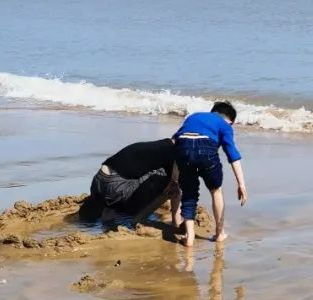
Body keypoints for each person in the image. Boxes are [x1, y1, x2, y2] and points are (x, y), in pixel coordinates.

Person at [173, 100, 247, 247]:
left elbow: (175, 141)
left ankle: (190, 236)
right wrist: (241, 184)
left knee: (189, 193)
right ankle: (219, 233)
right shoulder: (224, 125)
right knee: (216, 190)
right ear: (229, 120)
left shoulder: (193, 117)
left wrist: (174, 178)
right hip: (206, 149)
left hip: (183, 148)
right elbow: (232, 154)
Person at [78, 138, 182, 230]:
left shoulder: (158, 146)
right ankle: (138, 221)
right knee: (171, 186)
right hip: (114, 188)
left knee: (157, 175)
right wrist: (176, 222)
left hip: (98, 182)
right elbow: (175, 188)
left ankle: (110, 210)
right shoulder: (176, 153)